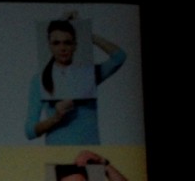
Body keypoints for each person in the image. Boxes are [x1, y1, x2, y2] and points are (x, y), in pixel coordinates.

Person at [24, 17, 126, 145]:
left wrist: (88, 34)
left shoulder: (88, 74)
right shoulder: (40, 80)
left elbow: (119, 57)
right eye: (56, 43)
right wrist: (56, 118)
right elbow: (30, 131)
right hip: (58, 151)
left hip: (90, 149)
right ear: (49, 45)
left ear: (74, 45)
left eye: (67, 43)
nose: (62, 48)